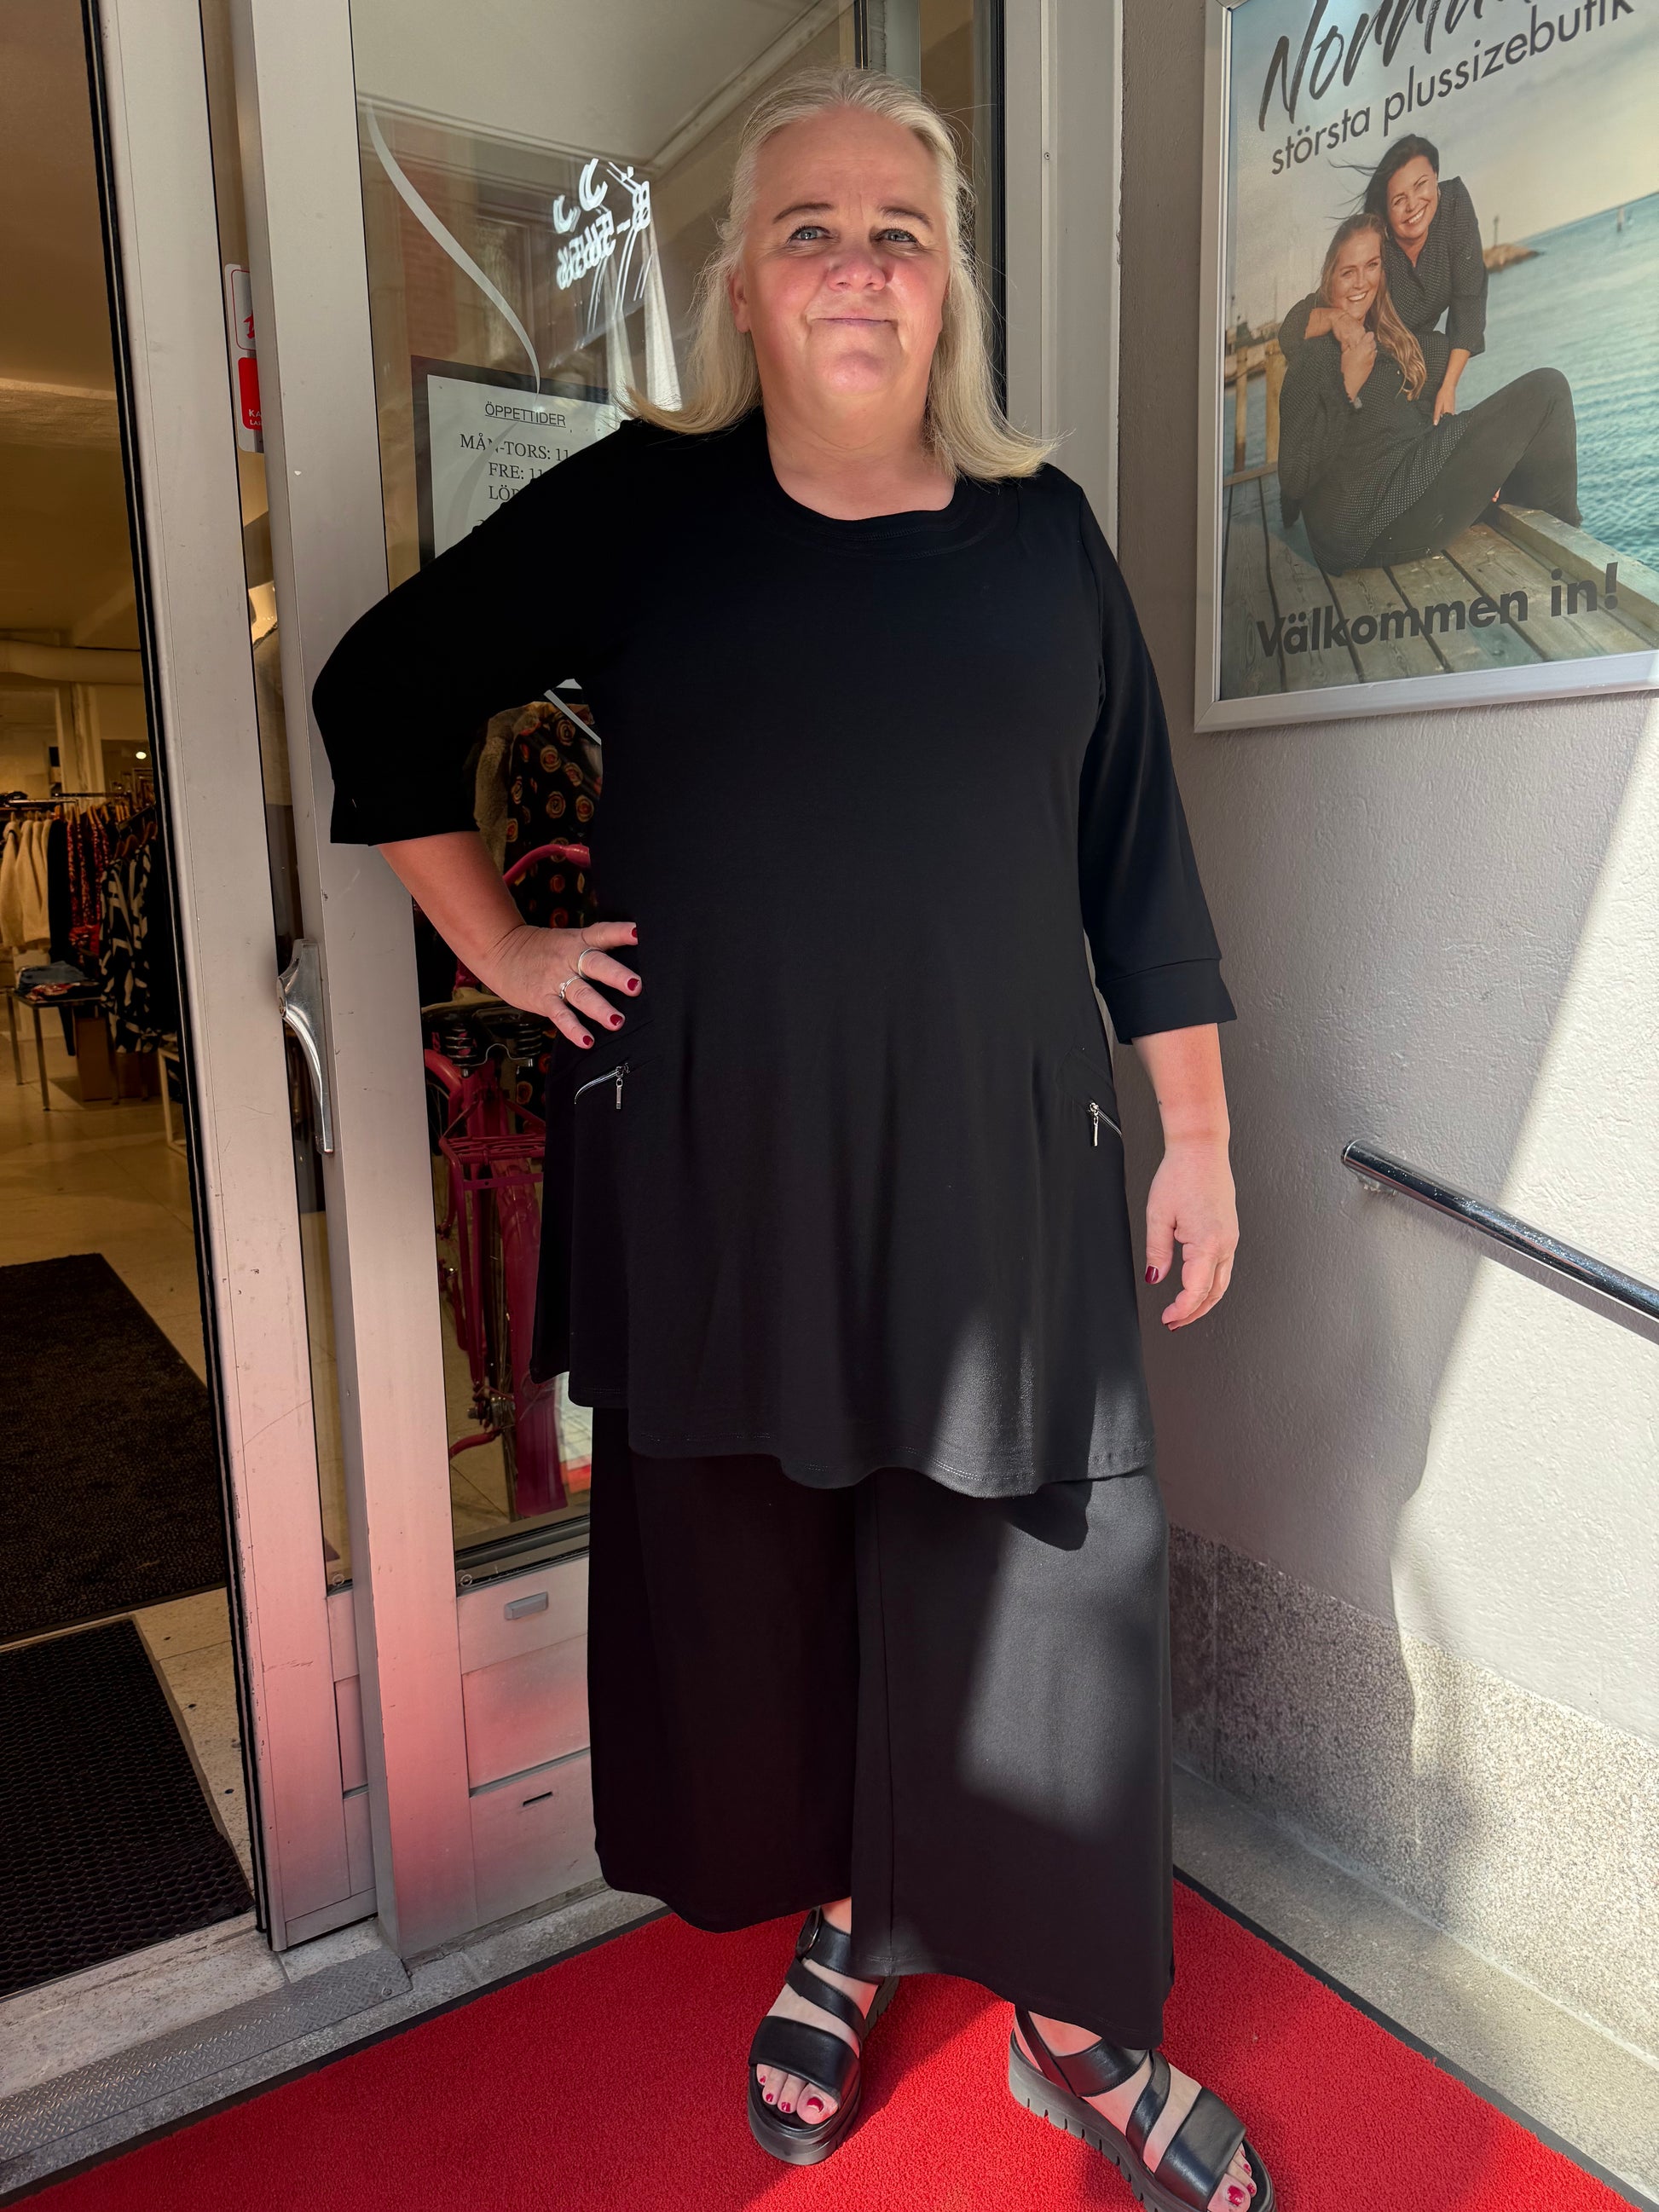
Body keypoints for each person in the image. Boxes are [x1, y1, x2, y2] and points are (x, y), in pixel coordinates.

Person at [313, 66, 1268, 2212]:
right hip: (729, 1172)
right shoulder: (649, 512)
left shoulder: (1044, 537)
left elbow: (1137, 859)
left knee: (1043, 1590)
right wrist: (504, 945)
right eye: (810, 229)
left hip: (1003, 1165)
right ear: (744, 287)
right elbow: (382, 692)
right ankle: (850, 1916)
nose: (857, 264)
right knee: (781, 1583)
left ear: (949, 293)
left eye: (898, 231)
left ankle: (1072, 2009)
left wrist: (1198, 1128)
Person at [1276, 211, 1578, 575]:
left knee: (1524, 425)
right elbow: (1294, 478)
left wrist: (1482, 462)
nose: (1360, 282)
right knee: (1549, 390)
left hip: (1410, 487)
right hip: (1367, 529)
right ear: (1330, 279)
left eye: (1371, 266)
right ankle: (1566, 554)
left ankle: (1539, 540)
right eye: (1347, 272)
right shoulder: (1314, 355)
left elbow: (1460, 314)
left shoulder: (1388, 339)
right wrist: (1346, 387)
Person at [1279, 136, 1486, 424]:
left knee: (1439, 353)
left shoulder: (1454, 205)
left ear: (1436, 176)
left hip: (1411, 359)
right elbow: (1290, 331)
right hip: (1366, 371)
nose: (1413, 205)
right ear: (1386, 210)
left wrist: (1449, 387)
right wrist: (1337, 320)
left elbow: (1470, 302)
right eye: (1399, 200)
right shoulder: (1376, 245)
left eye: (1421, 185)